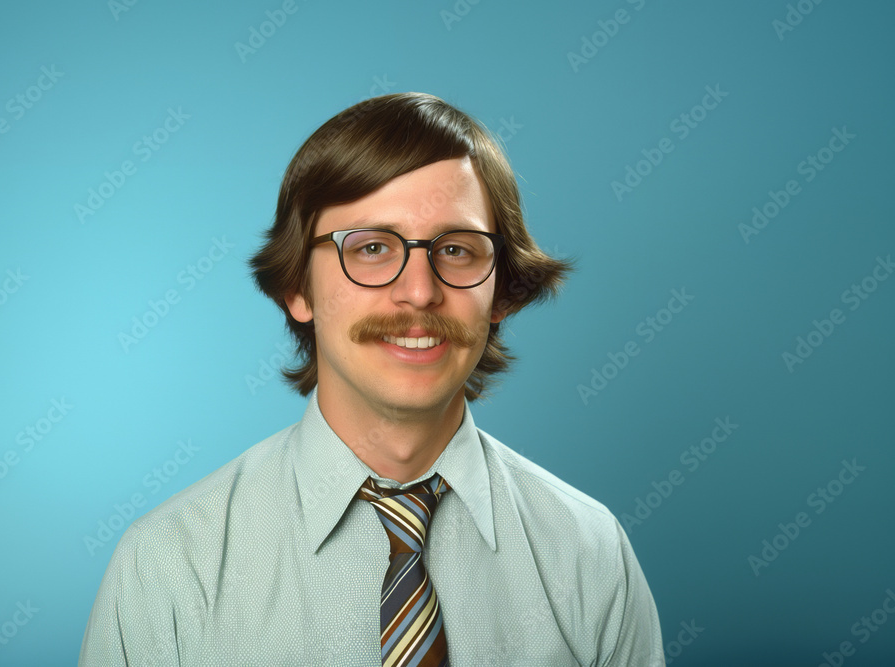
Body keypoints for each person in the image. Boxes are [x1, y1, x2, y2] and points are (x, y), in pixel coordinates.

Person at [79, 92, 665, 666]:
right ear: (297, 287)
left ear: (502, 292)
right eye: (372, 248)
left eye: (457, 250)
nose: (418, 291)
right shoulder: (168, 564)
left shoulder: (590, 553)